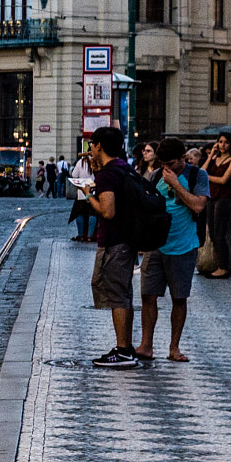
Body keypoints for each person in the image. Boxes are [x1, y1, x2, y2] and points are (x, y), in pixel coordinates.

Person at [137, 137, 208, 363]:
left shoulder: (197, 175)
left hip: (184, 245)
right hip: (156, 244)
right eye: (163, 163)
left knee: (179, 297)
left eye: (171, 163)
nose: (166, 168)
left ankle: (174, 347)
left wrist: (177, 184)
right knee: (148, 295)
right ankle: (146, 345)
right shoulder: (156, 175)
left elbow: (198, 205)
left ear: (183, 158)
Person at [85, 125, 143, 369]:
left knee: (118, 296)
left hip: (114, 242)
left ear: (99, 146)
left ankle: (123, 351)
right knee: (123, 295)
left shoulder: (108, 174)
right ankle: (126, 347)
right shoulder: (123, 167)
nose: (89, 149)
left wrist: (88, 194)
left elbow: (107, 211)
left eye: (91, 144)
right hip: (126, 240)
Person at [203, 131, 231, 277]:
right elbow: (202, 171)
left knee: (220, 233)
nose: (222, 145)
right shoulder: (214, 158)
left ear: (230, 144)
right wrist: (210, 155)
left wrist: (207, 177)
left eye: (226, 142)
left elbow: (224, 180)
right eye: (220, 141)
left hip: (223, 198)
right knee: (212, 233)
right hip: (211, 197)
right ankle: (218, 265)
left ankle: (223, 267)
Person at [69, 150, 95, 241]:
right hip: (93, 190)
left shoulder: (81, 162)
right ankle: (90, 235)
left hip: (82, 191)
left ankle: (80, 234)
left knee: (80, 213)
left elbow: (74, 174)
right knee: (93, 213)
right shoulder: (96, 161)